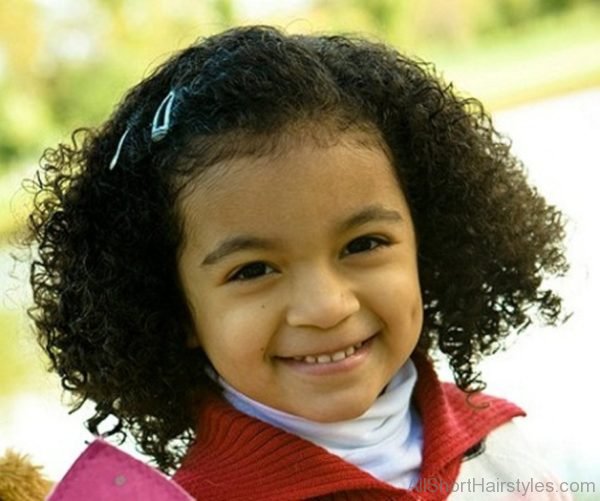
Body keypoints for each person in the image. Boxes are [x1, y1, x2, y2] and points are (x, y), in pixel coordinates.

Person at [26, 25, 572, 500]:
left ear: (425, 243)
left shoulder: (499, 442)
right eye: (253, 270)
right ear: (175, 308)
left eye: (363, 244)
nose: (326, 307)